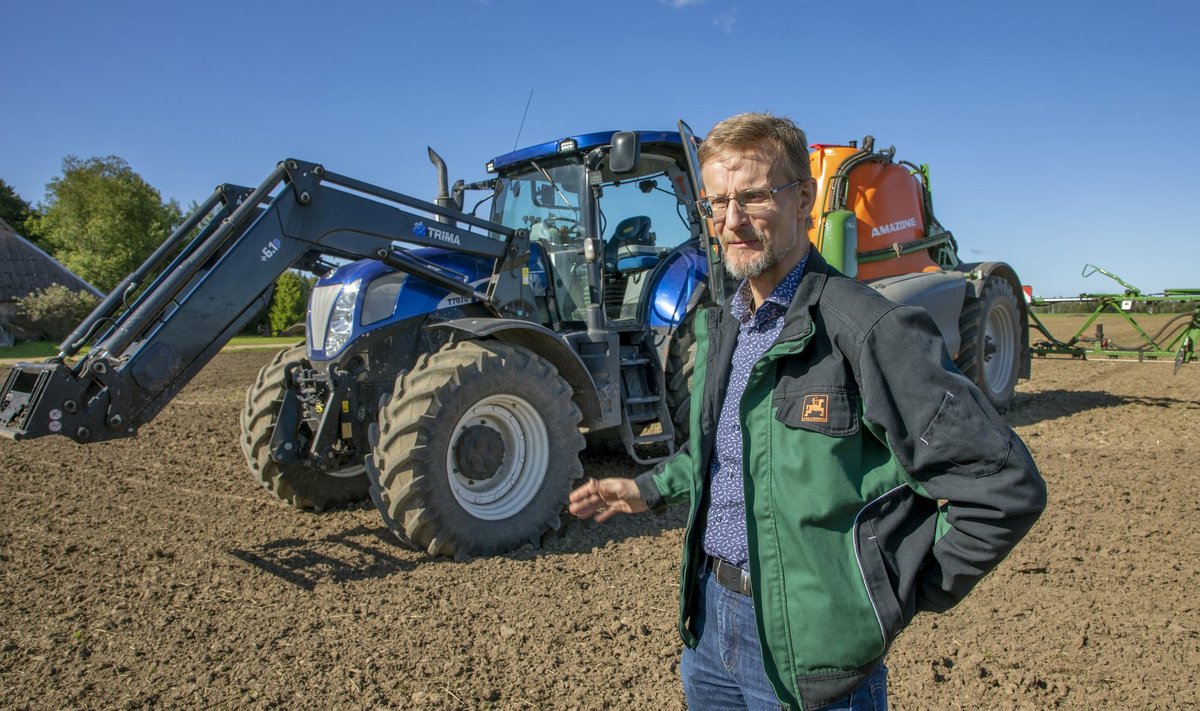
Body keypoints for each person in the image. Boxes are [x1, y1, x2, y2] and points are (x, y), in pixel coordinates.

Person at [568, 112, 1046, 711]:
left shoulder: (871, 329)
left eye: (753, 197)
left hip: (813, 657)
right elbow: (728, 454)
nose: (731, 221)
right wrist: (642, 490)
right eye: (716, 204)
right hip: (711, 632)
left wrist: (880, 598)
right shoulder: (722, 328)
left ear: (804, 198)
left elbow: (1003, 487)